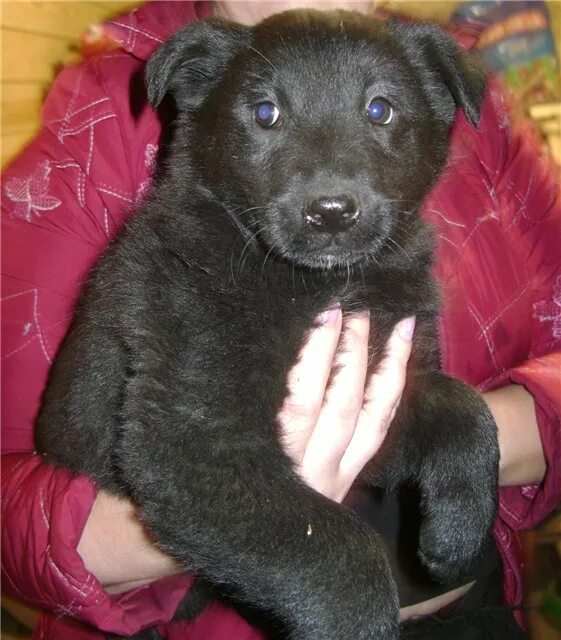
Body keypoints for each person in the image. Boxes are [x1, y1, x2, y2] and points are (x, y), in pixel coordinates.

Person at [1, 1, 560, 639]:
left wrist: (464, 432)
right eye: (267, 114)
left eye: (379, 111)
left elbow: (382, 412)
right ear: (201, 117)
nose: (330, 186)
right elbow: (192, 473)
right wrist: (344, 589)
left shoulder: (399, 249)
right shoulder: (192, 264)